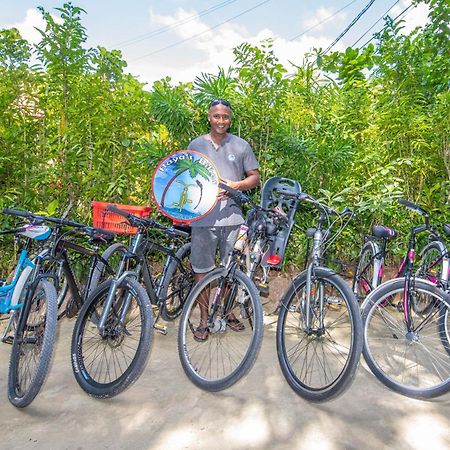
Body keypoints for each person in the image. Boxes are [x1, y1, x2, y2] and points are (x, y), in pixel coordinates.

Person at [187, 98, 260, 341]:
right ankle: (204, 319)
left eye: (225, 116)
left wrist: (236, 185)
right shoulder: (196, 144)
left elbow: (254, 177)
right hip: (202, 219)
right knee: (202, 269)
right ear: (209, 117)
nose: (221, 121)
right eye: (216, 116)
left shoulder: (241, 146)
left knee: (231, 270)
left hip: (232, 219)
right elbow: (185, 176)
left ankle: (228, 312)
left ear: (230, 119)